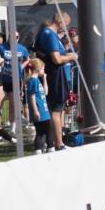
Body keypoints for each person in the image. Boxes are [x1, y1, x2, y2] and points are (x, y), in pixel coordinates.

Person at [36, 13, 77, 151]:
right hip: (55, 76)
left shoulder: (48, 34)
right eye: (66, 24)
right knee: (56, 110)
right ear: (60, 21)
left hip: (56, 76)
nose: (66, 28)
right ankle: (58, 144)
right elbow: (57, 59)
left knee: (58, 109)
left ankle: (53, 143)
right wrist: (71, 56)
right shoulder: (50, 34)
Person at [0, 30, 30, 130]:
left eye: (16, 37)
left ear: (18, 38)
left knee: (14, 103)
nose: (14, 39)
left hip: (16, 80)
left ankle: (13, 128)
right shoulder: (2, 47)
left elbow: (27, 59)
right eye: (12, 37)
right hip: (2, 79)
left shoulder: (22, 49)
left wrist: (21, 67)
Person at [24, 58, 51, 154]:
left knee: (47, 131)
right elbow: (32, 97)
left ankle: (48, 148)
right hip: (40, 111)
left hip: (44, 110)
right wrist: (35, 111)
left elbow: (46, 92)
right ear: (38, 69)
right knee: (41, 132)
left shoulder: (37, 80)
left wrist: (44, 79)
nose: (44, 71)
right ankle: (39, 150)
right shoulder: (32, 81)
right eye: (43, 69)